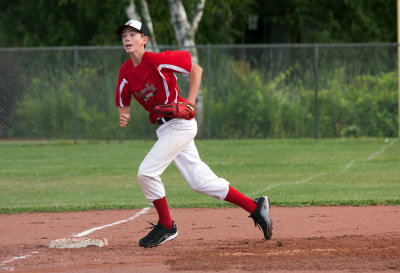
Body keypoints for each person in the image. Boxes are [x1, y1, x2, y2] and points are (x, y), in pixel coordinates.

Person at [115, 19, 272, 248]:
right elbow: (123, 97)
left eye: (132, 34)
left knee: (147, 173)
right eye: (124, 36)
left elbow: (196, 69)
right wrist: (124, 114)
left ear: (144, 40)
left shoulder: (157, 60)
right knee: (200, 181)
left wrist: (189, 102)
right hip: (166, 129)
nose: (127, 39)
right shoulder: (126, 71)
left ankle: (167, 225)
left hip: (180, 123)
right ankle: (255, 207)